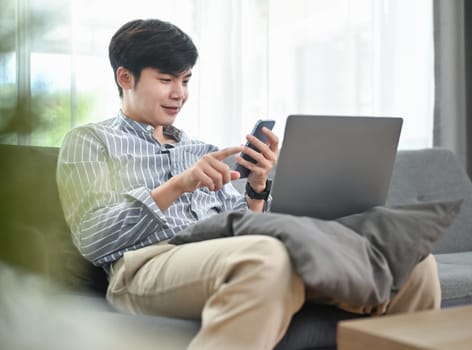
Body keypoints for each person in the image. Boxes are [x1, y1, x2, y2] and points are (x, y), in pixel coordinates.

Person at [57, 19, 441, 350]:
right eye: (166, 79)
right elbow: (94, 239)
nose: (180, 93)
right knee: (263, 259)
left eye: (186, 80)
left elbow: (242, 225)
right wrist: (178, 184)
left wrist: (257, 187)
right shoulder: (90, 141)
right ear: (125, 77)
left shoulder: (200, 149)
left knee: (410, 263)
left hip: (222, 254)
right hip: (143, 267)